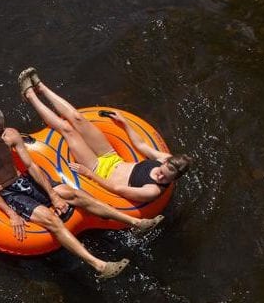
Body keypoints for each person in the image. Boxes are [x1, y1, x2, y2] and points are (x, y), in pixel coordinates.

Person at [0, 107, 159, 280]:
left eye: (1, 131)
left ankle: (136, 223)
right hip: (8, 192)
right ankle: (100, 266)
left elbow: (31, 165)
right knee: (51, 220)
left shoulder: (10, 135)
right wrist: (11, 214)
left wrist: (53, 195)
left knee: (75, 194)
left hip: (24, 180)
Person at [19, 67, 193, 203]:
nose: (160, 176)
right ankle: (41, 87)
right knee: (78, 118)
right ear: (167, 162)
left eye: (165, 178)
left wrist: (89, 173)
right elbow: (141, 146)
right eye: (162, 171)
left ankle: (30, 95)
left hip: (97, 169)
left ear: (174, 179)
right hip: (111, 156)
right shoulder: (164, 158)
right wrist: (125, 125)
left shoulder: (152, 190)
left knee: (67, 129)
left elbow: (118, 189)